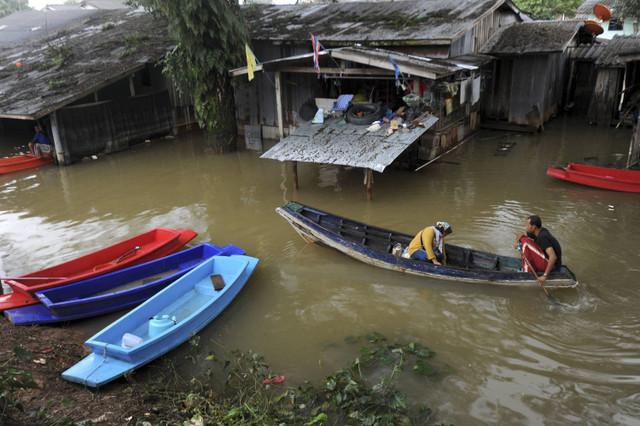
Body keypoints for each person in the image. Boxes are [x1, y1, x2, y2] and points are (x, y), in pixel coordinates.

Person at [513, 215, 562, 284]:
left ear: (533, 227)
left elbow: (553, 257)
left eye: (527, 225)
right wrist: (516, 241)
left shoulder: (542, 237)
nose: (526, 227)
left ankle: (527, 272)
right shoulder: (537, 231)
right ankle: (529, 267)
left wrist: (545, 276)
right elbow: (522, 234)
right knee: (523, 239)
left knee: (526, 243)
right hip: (548, 261)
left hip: (552, 266)